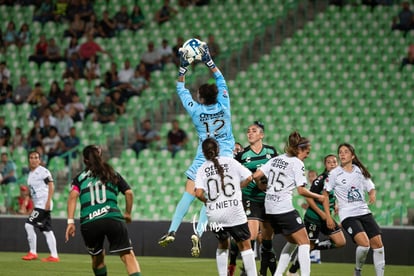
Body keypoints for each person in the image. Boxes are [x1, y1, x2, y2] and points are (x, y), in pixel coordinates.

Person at [158, 43, 235, 258]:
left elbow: (180, 89)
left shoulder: (196, 111)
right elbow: (222, 80)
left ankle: (172, 230)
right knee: (211, 195)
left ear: (200, 98)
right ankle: (199, 233)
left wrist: (183, 68)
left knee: (189, 192)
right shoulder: (224, 105)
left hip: (203, 155)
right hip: (225, 156)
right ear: (216, 95)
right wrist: (209, 61)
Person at [252, 131, 325, 276]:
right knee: (305, 242)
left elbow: (256, 175)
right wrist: (319, 196)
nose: (308, 155)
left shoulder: (276, 159)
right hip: (283, 208)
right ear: (299, 149)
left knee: (292, 242)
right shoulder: (297, 163)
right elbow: (301, 190)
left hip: (270, 209)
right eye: (307, 152)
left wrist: (260, 185)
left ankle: (278, 274)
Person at [65, 145, 143, 276]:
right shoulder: (112, 173)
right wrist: (128, 213)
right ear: (100, 157)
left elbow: (72, 197)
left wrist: (70, 222)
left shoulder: (79, 178)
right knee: (127, 255)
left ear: (85, 160)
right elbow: (129, 193)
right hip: (112, 218)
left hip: (89, 222)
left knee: (97, 259)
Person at [195, 138, 257, 276]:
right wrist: (238, 188)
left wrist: (207, 201)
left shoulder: (202, 169)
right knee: (245, 246)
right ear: (218, 149)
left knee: (223, 244)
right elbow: (249, 177)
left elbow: (198, 193)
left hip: (215, 214)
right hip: (234, 210)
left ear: (204, 153)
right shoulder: (231, 161)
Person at [323, 143, 385, 276]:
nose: (342, 154)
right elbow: (325, 194)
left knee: (379, 246)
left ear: (352, 155)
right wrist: (328, 216)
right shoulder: (335, 173)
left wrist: (372, 194)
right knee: (364, 245)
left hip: (364, 211)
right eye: (340, 152)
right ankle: (357, 270)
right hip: (347, 214)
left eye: (346, 151)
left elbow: (371, 186)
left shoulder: (359, 170)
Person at [229, 121, 278, 276]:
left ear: (261, 135)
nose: (250, 133)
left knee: (267, 238)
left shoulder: (271, 151)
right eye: (248, 131)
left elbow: (278, 172)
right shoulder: (242, 155)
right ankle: (247, 269)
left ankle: (267, 267)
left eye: (254, 131)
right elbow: (235, 177)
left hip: (269, 199)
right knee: (251, 234)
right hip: (250, 198)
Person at [287, 154, 346, 276]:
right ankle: (292, 271)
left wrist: (335, 204)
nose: (332, 164)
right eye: (329, 162)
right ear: (325, 165)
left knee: (340, 242)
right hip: (313, 217)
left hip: (326, 217)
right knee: (307, 246)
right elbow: (308, 197)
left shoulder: (338, 179)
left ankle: (314, 247)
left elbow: (330, 195)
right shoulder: (321, 179)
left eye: (334, 162)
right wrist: (321, 213)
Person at [22, 150, 59, 262]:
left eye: (36, 157)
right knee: (47, 230)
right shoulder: (30, 174)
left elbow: (51, 185)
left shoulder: (43, 171)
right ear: (29, 160)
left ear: (39, 160)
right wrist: (27, 200)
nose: (34, 159)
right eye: (31, 157)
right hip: (39, 203)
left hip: (43, 203)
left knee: (29, 225)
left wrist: (48, 201)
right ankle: (54, 256)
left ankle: (33, 252)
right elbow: (31, 191)